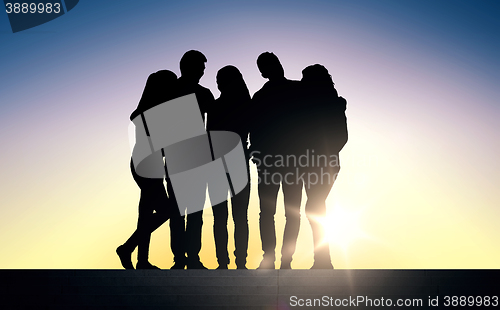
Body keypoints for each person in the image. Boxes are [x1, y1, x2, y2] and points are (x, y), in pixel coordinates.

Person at [116, 70, 180, 269]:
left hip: (147, 164)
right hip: (146, 165)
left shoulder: (148, 111)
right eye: (171, 84)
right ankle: (129, 249)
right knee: (166, 210)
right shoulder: (152, 113)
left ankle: (140, 258)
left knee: (146, 213)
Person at [250, 52, 304, 269]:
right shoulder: (293, 91)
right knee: (273, 213)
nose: (272, 69)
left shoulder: (265, 95)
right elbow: (255, 129)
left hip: (286, 161)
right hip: (279, 161)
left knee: (279, 213)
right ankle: (274, 258)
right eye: (268, 66)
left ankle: (281, 259)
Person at [169, 50, 216, 269]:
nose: (203, 71)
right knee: (188, 212)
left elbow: (211, 128)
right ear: (189, 67)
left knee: (186, 212)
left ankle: (185, 258)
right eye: (201, 67)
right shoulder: (200, 93)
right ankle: (185, 258)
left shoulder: (174, 90)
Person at [300, 64, 348, 269]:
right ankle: (322, 259)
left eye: (305, 78)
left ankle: (323, 260)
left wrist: (320, 152)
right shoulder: (308, 105)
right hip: (312, 163)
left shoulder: (333, 105)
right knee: (316, 207)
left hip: (324, 163)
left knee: (314, 206)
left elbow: (342, 137)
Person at [208, 65, 251, 269]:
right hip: (237, 163)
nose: (217, 82)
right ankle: (239, 262)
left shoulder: (216, 107)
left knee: (221, 217)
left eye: (219, 79)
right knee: (239, 216)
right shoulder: (246, 104)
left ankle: (224, 262)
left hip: (218, 164)